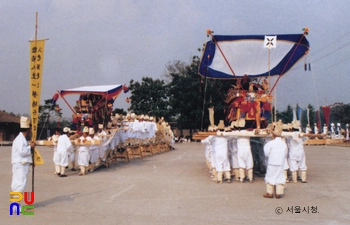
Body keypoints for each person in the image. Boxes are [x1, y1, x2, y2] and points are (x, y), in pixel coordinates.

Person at [263, 120, 288, 198]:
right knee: (280, 177)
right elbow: (285, 155)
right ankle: (278, 193)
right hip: (280, 163)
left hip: (272, 163)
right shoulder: (284, 144)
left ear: (273, 134)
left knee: (270, 176)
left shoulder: (270, 143)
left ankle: (270, 193)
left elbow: (266, 153)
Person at [11, 116, 35, 192]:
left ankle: (15, 203)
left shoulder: (22, 139)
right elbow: (22, 152)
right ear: (27, 130)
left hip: (22, 164)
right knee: (19, 185)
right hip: (20, 165)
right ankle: (15, 203)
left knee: (18, 184)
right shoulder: (19, 139)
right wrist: (30, 147)